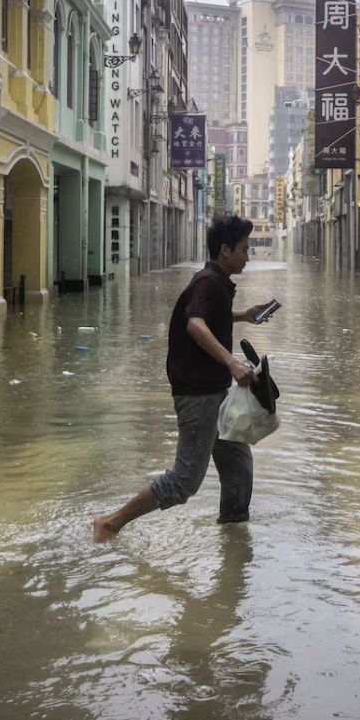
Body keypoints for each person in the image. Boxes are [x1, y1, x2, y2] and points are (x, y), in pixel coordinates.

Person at [94, 215, 272, 542]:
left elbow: (206, 315)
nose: (248, 257)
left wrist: (243, 315)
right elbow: (195, 324)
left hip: (216, 392)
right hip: (198, 394)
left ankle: (233, 538)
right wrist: (233, 364)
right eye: (245, 250)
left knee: (238, 464)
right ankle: (110, 523)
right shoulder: (208, 282)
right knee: (185, 479)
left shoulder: (216, 282)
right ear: (225, 250)